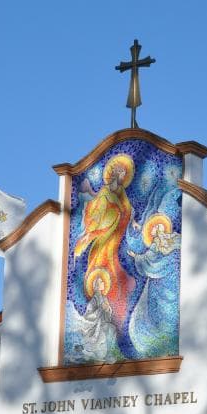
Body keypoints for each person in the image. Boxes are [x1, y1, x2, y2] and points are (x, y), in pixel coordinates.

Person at [72, 153, 139, 326]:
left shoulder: (122, 193)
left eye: (124, 173)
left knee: (113, 267)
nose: (121, 174)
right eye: (118, 171)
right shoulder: (104, 191)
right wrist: (91, 231)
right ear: (112, 172)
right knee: (99, 264)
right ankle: (98, 301)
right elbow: (94, 213)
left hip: (115, 238)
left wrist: (133, 222)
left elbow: (127, 210)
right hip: (102, 237)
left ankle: (115, 309)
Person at [128, 214, 181, 357]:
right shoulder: (155, 246)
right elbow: (147, 259)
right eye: (154, 228)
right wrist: (136, 257)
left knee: (171, 312)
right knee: (158, 312)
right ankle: (157, 341)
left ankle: (171, 339)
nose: (156, 229)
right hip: (158, 286)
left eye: (158, 225)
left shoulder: (175, 237)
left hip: (173, 280)